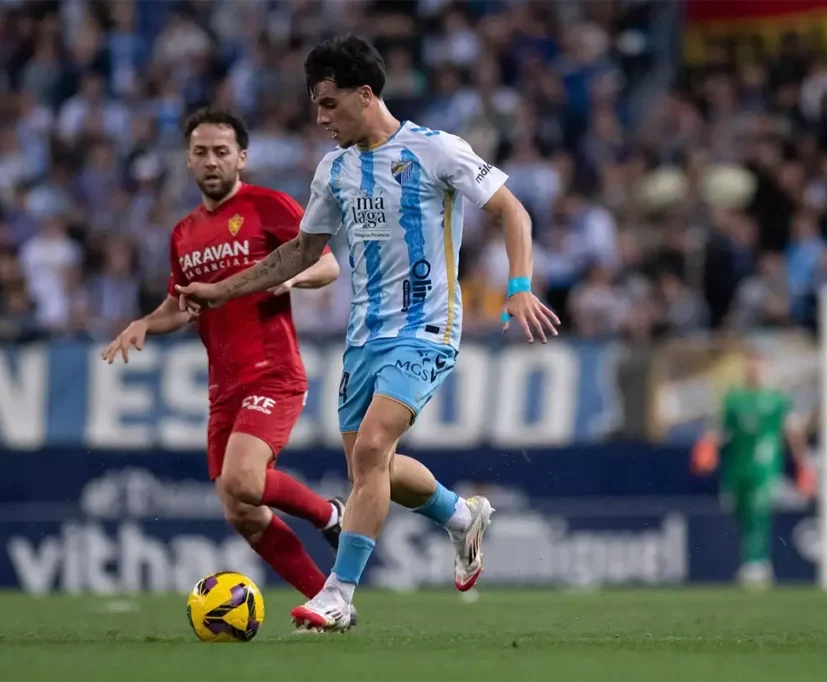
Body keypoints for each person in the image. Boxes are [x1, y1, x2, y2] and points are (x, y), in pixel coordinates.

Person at [176, 35, 559, 631]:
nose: (321, 118)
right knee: (369, 470)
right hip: (365, 338)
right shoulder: (335, 170)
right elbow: (302, 250)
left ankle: (339, 593)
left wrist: (518, 286)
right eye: (316, 106)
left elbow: (514, 210)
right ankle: (462, 516)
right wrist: (222, 290)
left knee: (375, 448)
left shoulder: (437, 151)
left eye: (329, 104)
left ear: (364, 94)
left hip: (429, 327)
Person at [101, 107, 358, 621]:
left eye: (222, 151)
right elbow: (182, 304)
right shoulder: (183, 233)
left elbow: (327, 263)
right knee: (240, 509)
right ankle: (328, 603)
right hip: (223, 387)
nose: (211, 161)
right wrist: (145, 323)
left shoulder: (269, 206)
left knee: (244, 479)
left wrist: (291, 278)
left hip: (274, 371)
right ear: (188, 160)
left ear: (241, 157)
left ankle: (331, 514)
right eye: (201, 152)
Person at [691, 347, 815, 589]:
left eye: (758, 364)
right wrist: (706, 447)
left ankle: (756, 564)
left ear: (766, 368)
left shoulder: (777, 399)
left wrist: (803, 464)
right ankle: (752, 562)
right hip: (737, 466)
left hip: (765, 467)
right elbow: (718, 428)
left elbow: (792, 432)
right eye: (750, 364)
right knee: (741, 511)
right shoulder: (734, 398)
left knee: (759, 511)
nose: (754, 368)